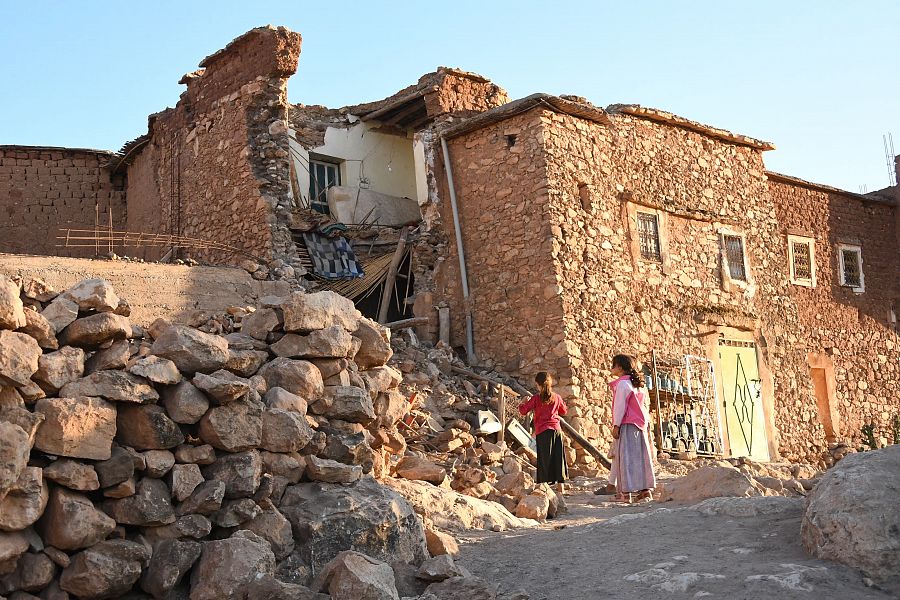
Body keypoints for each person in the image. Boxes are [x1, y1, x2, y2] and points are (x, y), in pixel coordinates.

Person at [609, 354, 656, 503]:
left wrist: (616, 425)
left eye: (614, 365)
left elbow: (620, 407)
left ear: (620, 368)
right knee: (641, 458)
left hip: (627, 424)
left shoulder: (622, 385)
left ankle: (625, 493)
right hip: (640, 425)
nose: (612, 367)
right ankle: (645, 490)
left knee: (626, 458)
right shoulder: (637, 385)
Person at [518, 371, 568, 495]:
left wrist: (523, 402)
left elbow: (523, 411)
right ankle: (561, 487)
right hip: (556, 430)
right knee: (558, 458)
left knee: (544, 459)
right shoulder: (557, 397)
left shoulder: (536, 398)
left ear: (538, 385)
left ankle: (543, 487)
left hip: (543, 431)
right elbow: (564, 411)